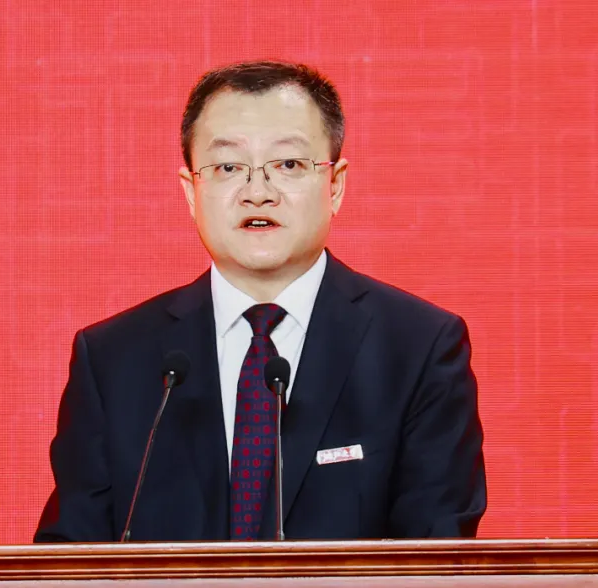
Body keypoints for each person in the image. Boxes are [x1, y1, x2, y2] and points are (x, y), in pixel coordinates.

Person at [34, 60, 486, 542]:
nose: (257, 193)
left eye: (288, 165)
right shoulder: (114, 359)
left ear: (335, 185)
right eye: (228, 167)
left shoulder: (418, 348)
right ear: (191, 191)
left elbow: (439, 562)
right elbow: (69, 563)